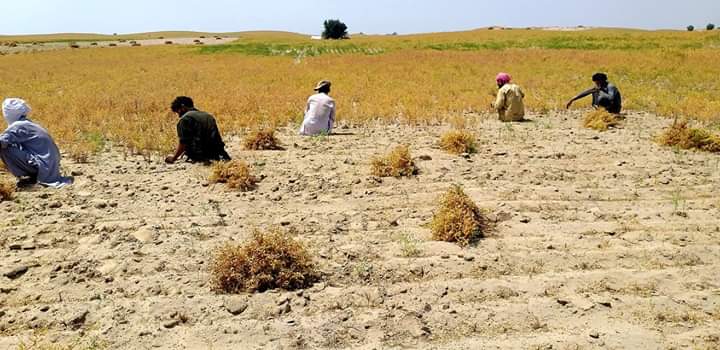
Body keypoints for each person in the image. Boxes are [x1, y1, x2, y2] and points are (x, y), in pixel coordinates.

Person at [0, 98, 72, 188]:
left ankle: (28, 176)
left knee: (5, 149)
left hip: (43, 166)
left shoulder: (18, 126)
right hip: (50, 166)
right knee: (11, 144)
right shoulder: (28, 123)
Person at [165, 96, 231, 164]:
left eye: (177, 111)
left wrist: (174, 158)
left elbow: (183, 143)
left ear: (183, 106)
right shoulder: (208, 115)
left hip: (202, 156)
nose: (178, 115)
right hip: (219, 153)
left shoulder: (184, 119)